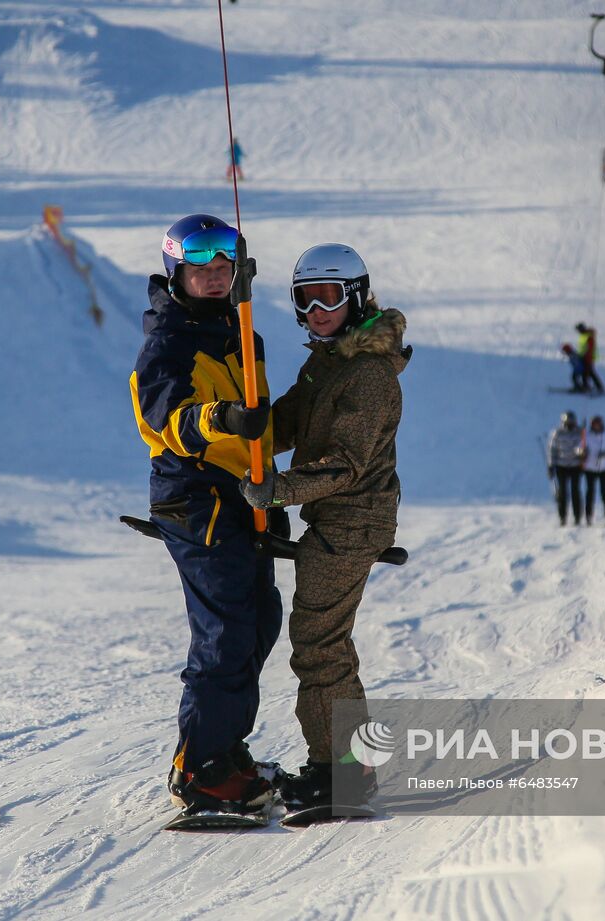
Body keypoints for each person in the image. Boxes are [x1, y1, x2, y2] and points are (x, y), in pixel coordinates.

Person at [239, 243, 410, 812]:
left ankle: (343, 773)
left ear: (356, 298)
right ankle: (342, 767)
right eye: (305, 299)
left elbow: (344, 463)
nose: (316, 310)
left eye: (329, 297)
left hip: (351, 520)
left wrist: (279, 489)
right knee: (321, 643)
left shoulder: (367, 375)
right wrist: (237, 430)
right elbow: (286, 421)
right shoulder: (328, 360)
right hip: (333, 517)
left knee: (320, 645)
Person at [130, 213, 285, 815]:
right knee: (225, 633)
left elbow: (262, 426)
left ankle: (227, 749)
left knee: (259, 620)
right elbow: (163, 417)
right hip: (196, 499)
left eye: (225, 269)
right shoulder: (167, 342)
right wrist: (220, 419)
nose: (216, 279)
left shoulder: (240, 330)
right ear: (177, 274)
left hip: (243, 497)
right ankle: (198, 769)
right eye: (203, 271)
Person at [547, 411, 586, 526]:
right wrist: (551, 465)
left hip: (575, 466)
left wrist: (582, 456)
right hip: (561, 466)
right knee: (562, 492)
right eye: (567, 423)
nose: (569, 425)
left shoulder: (579, 433)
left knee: (575, 491)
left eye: (571, 423)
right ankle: (562, 517)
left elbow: (584, 447)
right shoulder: (557, 433)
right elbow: (552, 450)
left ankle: (577, 517)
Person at [581, 414, 605, 526]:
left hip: (604, 468)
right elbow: (580, 448)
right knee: (590, 492)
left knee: (604, 491)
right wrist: (582, 453)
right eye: (594, 424)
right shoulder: (587, 436)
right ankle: (588, 516)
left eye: (598, 424)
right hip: (590, 468)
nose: (596, 426)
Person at [575, 322, 605, 395]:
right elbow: (583, 347)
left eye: (578, 329)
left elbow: (590, 348)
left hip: (588, 358)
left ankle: (592, 387)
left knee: (588, 373)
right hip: (584, 357)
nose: (578, 331)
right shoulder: (584, 336)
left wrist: (585, 356)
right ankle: (594, 387)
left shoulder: (588, 336)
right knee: (588, 373)